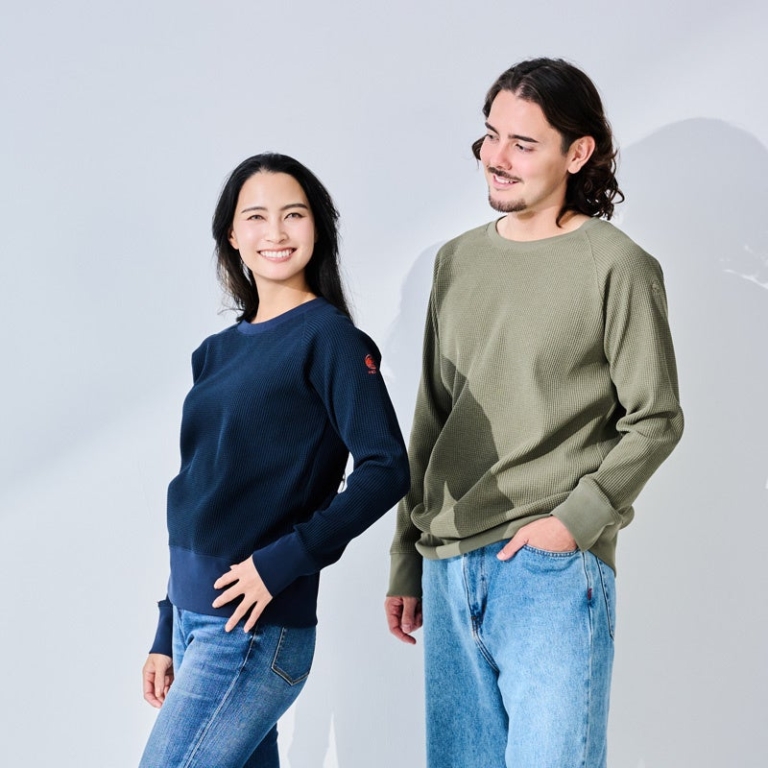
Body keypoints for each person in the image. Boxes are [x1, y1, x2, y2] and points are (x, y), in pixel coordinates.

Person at [385, 58, 684, 768]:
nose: (497, 157)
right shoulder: (456, 261)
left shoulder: (617, 266)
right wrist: (404, 557)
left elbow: (656, 417)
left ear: (577, 154)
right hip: (447, 565)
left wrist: (574, 523)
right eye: (491, 136)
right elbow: (431, 417)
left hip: (550, 571)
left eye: (523, 143)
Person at [140, 152, 409, 768]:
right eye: (256, 217)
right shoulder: (214, 352)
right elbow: (205, 491)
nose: (277, 232)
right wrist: (167, 624)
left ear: (318, 227)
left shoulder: (330, 338)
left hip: (252, 629)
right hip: (195, 621)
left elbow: (386, 467)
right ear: (232, 236)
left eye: (294, 214)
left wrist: (282, 562)